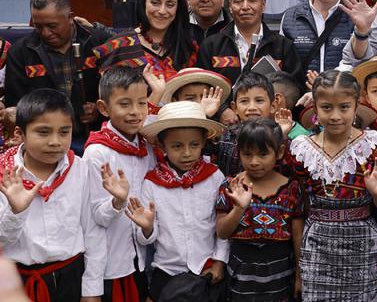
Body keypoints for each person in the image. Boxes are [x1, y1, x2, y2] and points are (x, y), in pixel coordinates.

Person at [289, 70, 377, 301]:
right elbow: (302, 204)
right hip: (317, 244)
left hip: (361, 242)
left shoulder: (372, 145)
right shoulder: (302, 149)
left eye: (344, 107)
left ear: (356, 107)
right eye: (327, 108)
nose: (335, 116)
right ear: (315, 109)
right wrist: (299, 270)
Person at [0, 89, 106, 301]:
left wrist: (92, 289)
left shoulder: (80, 169)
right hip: (19, 281)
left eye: (64, 132)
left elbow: (92, 230)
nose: (55, 141)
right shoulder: (5, 175)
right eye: (43, 132)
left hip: (71, 276)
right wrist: (16, 212)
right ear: (20, 134)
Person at [130, 101, 228, 301]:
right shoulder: (151, 183)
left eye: (194, 145)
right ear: (161, 145)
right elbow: (145, 238)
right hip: (166, 271)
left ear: (204, 142)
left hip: (206, 270)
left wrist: (219, 260)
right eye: (177, 146)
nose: (186, 153)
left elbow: (223, 224)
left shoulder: (214, 177)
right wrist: (147, 227)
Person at [5, 0, 109, 153]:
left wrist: (99, 108)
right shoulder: (20, 53)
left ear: (70, 17)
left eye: (52, 26)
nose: (46, 33)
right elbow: (16, 104)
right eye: (38, 26)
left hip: (95, 140)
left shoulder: (99, 42)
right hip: (44, 144)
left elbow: (117, 90)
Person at [83, 67, 154, 302]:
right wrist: (118, 201)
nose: (135, 112)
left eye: (142, 103)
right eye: (125, 104)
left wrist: (148, 229)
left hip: (142, 258)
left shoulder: (147, 147)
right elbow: (95, 217)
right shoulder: (97, 153)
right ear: (104, 108)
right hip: (110, 263)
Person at [216, 118, 304, 301]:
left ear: (279, 152)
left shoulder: (292, 189)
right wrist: (239, 208)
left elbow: (298, 237)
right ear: (239, 152)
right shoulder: (230, 186)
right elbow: (222, 232)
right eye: (247, 154)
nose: (254, 162)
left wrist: (299, 276)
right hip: (241, 276)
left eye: (263, 154)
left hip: (281, 275)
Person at [198, 0, 303, 87]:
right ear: (230, 6)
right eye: (238, 1)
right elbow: (202, 87)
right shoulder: (211, 45)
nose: (245, 7)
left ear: (263, 4)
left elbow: (294, 87)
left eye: (252, 0)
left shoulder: (283, 46)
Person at [92, 0, 197, 80]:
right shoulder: (117, 46)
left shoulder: (188, 46)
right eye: (155, 3)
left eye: (170, 5)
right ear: (144, 3)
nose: (162, 11)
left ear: (178, 9)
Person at [281, 0, 355, 75]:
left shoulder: (355, 17)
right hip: (301, 87)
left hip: (342, 87)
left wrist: (328, 83)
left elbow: (361, 62)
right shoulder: (290, 17)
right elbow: (284, 64)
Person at [216, 72, 280, 177]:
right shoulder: (225, 137)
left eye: (259, 101)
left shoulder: (279, 136)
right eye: (244, 101)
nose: (252, 107)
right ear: (235, 108)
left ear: (273, 106)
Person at [158, 68, 231, 120]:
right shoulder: (168, 127)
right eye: (190, 99)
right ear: (174, 101)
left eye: (206, 97)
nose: (200, 103)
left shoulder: (221, 129)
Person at [265, 71, 312, 139]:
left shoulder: (301, 138)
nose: (251, 107)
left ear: (276, 100)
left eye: (259, 100)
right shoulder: (259, 129)